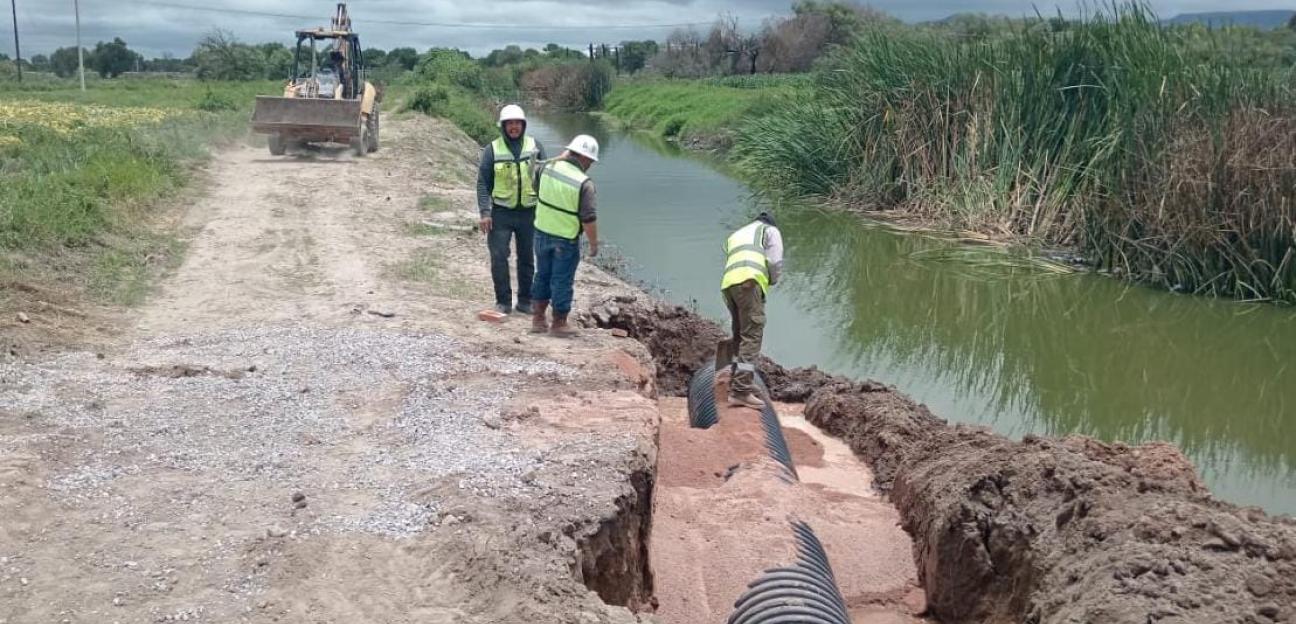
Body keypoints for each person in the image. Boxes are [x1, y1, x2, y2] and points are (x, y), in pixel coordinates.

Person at [477, 104, 545, 315]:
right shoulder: (492, 150)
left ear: (523, 125)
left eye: (517, 123)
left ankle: (526, 301)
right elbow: (483, 183)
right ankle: (503, 302)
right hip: (501, 213)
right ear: (503, 126)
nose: (514, 127)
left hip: (529, 213)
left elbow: (545, 178)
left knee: (527, 259)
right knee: (499, 257)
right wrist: (485, 212)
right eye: (510, 124)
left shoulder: (535, 146)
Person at [529, 135, 600, 338]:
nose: (590, 165)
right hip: (565, 240)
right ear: (585, 158)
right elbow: (588, 218)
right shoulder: (584, 183)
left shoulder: (546, 167)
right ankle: (559, 324)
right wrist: (594, 244)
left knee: (542, 275)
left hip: (541, 232)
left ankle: (538, 320)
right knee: (561, 280)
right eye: (591, 161)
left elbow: (536, 187)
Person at [720, 211, 784, 409]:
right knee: (752, 335)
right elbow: (774, 261)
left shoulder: (737, 234)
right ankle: (741, 391)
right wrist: (772, 280)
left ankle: (738, 379)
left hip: (729, 285)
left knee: (740, 333)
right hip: (749, 283)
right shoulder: (770, 230)